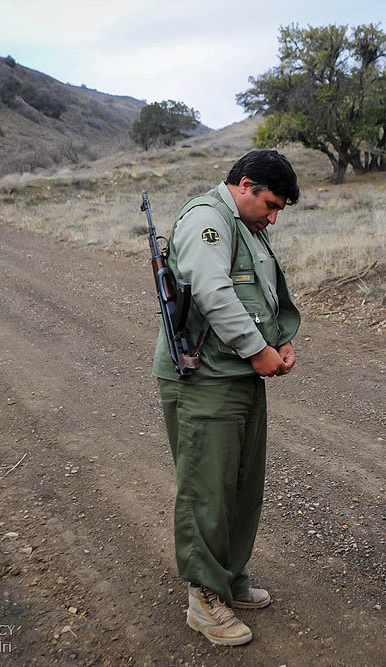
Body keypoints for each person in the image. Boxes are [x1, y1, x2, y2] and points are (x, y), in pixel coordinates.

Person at [153, 149, 301, 646]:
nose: (274, 217)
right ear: (244, 184)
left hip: (236, 374)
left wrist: (278, 339)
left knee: (241, 485)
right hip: (204, 379)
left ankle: (229, 577)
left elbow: (259, 294)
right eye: (271, 204)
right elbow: (213, 292)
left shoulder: (247, 225)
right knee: (207, 490)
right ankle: (203, 598)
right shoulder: (207, 221)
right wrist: (257, 350)